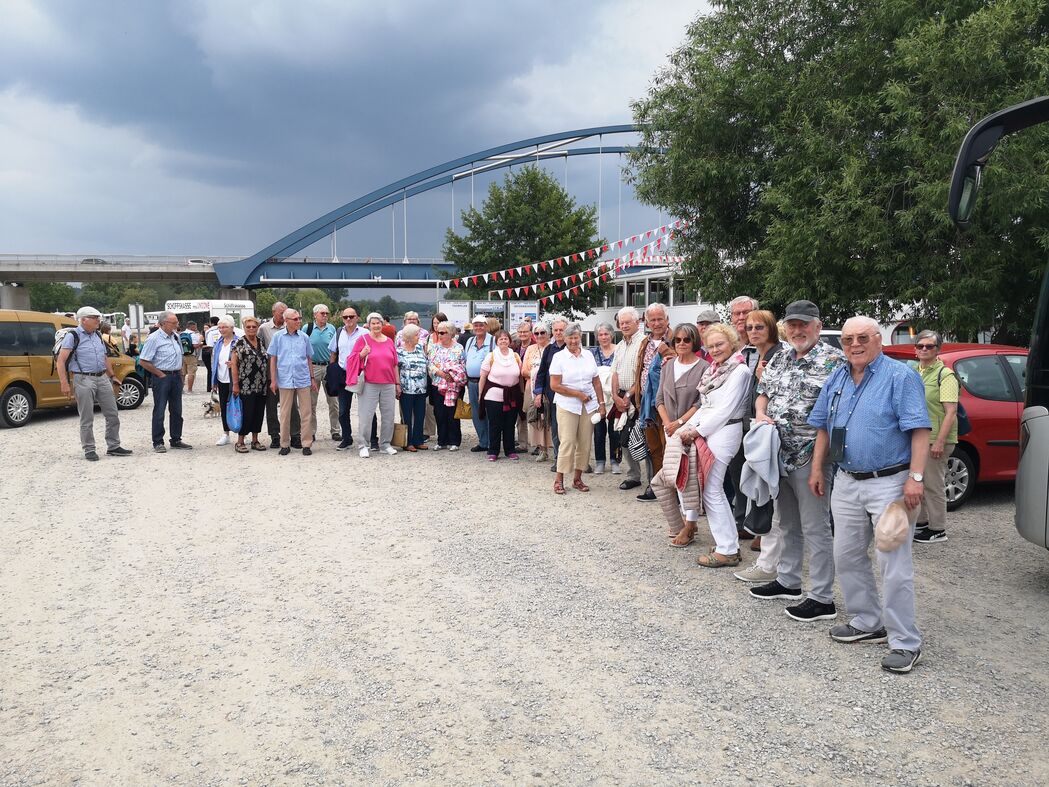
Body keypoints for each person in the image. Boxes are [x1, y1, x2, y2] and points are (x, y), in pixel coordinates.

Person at [808, 316, 930, 674]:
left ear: (879, 340)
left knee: (893, 563)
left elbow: (920, 430)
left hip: (890, 482)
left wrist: (916, 478)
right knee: (845, 554)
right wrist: (816, 469)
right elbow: (823, 427)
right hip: (846, 479)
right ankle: (867, 620)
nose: (854, 345)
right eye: (848, 339)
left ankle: (905, 641)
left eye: (862, 337)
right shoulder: (838, 376)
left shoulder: (900, 376)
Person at [746, 301, 846, 623]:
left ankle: (822, 598)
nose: (797, 330)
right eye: (792, 325)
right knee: (787, 523)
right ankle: (788, 582)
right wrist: (761, 413)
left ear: (818, 326)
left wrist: (819, 465)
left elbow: (836, 417)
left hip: (810, 456)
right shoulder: (780, 357)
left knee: (816, 527)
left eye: (804, 324)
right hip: (778, 455)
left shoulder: (835, 362)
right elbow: (763, 391)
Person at [675, 323, 752, 567]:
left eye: (720, 344)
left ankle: (727, 549)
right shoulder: (715, 370)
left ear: (732, 343)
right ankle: (728, 544)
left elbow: (725, 409)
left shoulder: (739, 371)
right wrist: (685, 427)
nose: (715, 349)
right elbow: (707, 405)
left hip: (725, 432)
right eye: (711, 346)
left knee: (712, 490)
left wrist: (696, 431)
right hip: (712, 431)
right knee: (712, 490)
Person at [651, 324, 710, 545]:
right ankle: (680, 523)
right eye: (677, 340)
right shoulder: (668, 366)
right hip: (670, 428)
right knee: (672, 476)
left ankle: (690, 524)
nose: (682, 343)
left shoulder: (704, 367)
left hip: (690, 428)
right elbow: (659, 399)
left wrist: (680, 423)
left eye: (686, 339)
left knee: (687, 476)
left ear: (694, 341)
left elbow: (700, 402)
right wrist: (668, 423)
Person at [56, 306, 131, 461]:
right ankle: (89, 449)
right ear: (83, 320)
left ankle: (113, 446)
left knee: (112, 414)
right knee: (87, 417)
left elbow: (104, 357)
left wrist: (112, 376)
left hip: (102, 377)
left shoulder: (97, 334)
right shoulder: (73, 336)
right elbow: (61, 361)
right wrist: (64, 383)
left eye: (98, 317)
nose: (98, 320)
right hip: (83, 378)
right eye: (94, 317)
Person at [912, 330, 958, 543]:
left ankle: (938, 529)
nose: (924, 349)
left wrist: (940, 441)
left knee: (933, 484)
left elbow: (951, 412)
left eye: (929, 346)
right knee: (917, 481)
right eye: (920, 345)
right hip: (917, 437)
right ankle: (921, 523)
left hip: (936, 439)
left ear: (938, 349)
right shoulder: (914, 371)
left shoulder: (945, 375)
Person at [549, 323, 605, 494]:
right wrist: (578, 394)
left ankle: (577, 478)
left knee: (585, 442)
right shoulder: (559, 357)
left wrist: (602, 404)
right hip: (568, 404)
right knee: (567, 441)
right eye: (570, 338)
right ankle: (559, 479)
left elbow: (596, 381)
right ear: (564, 338)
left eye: (576, 337)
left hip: (589, 405)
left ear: (580, 337)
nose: (573, 341)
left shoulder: (588, 355)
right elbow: (554, 385)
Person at [635, 303, 676, 500]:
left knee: (669, 447)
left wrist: (667, 351)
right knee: (654, 448)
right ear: (647, 322)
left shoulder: (676, 339)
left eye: (660, 319)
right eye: (652, 320)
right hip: (646, 403)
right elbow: (640, 370)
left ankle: (673, 488)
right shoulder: (645, 342)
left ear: (667, 320)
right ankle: (659, 487)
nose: (657, 323)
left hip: (667, 404)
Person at [138, 311, 193, 452]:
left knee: (177, 410)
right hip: (162, 377)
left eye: (177, 322)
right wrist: (160, 374)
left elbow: (180, 355)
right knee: (160, 410)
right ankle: (158, 442)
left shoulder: (176, 336)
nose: (177, 325)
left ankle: (176, 439)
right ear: (163, 323)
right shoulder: (153, 338)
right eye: (173, 323)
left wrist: (180, 373)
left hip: (176, 376)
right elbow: (143, 361)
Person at [267, 308, 316, 456]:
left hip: (303, 379)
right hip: (285, 379)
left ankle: (306, 444)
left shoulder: (304, 337)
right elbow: (273, 359)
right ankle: (284, 444)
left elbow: (309, 358)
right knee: (285, 413)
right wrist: (273, 380)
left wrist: (312, 378)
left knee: (306, 413)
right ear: (286, 321)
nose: (299, 321)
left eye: (299, 318)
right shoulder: (278, 337)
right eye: (295, 319)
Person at [354, 312, 399, 457]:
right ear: (368, 325)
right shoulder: (362, 340)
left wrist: (397, 383)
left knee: (388, 415)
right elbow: (352, 358)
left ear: (382, 324)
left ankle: (385, 444)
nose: (376, 326)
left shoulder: (389, 341)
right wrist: (362, 354)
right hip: (369, 383)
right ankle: (363, 445)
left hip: (388, 383)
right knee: (366, 415)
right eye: (373, 323)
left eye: (378, 323)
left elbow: (395, 364)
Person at [610, 307, 646, 490]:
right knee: (623, 437)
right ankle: (633, 475)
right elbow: (614, 372)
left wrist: (628, 395)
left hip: (638, 396)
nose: (623, 326)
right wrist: (615, 396)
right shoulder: (620, 345)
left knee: (643, 438)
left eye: (627, 322)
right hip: (622, 396)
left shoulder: (644, 343)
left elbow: (643, 375)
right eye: (621, 323)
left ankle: (653, 480)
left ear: (637, 322)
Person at [478, 329, 524, 460]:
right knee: (495, 424)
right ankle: (493, 451)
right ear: (496, 342)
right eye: (500, 339)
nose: (503, 341)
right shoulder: (491, 356)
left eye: (505, 338)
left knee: (510, 424)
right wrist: (480, 395)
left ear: (509, 341)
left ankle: (510, 450)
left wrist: (521, 393)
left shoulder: (515, 356)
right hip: (493, 396)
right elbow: (483, 377)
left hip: (512, 396)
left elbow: (520, 377)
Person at [260, 302, 300, 449]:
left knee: (292, 407)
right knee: (271, 407)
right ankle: (275, 436)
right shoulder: (264, 328)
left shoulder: (290, 327)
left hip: (288, 375)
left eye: (285, 313)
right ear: (273, 312)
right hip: (271, 374)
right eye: (281, 312)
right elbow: (260, 348)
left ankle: (295, 435)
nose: (283, 315)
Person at [329, 307, 367, 450]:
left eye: (351, 316)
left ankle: (372, 438)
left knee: (367, 408)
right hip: (343, 375)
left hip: (360, 374)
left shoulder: (365, 333)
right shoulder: (339, 333)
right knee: (343, 410)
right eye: (345, 317)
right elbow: (333, 353)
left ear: (357, 317)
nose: (348, 319)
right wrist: (332, 371)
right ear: (342, 318)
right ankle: (347, 438)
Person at [230, 316, 269, 452]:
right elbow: (234, 365)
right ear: (244, 328)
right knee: (246, 413)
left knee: (259, 412)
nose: (251, 329)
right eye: (248, 327)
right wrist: (235, 384)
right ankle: (240, 441)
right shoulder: (239, 343)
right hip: (245, 385)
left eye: (254, 326)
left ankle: (255, 440)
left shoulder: (261, 341)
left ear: (257, 328)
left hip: (261, 385)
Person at [533, 317, 567, 469]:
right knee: (555, 428)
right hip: (552, 396)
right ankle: (559, 459)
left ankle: (574, 459)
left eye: (561, 330)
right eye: (556, 330)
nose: (558, 333)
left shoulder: (572, 347)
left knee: (569, 430)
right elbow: (541, 373)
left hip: (570, 396)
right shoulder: (549, 349)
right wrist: (539, 393)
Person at [428, 320, 466, 451]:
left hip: (454, 386)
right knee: (439, 413)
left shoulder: (459, 348)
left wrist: (453, 374)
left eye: (442, 332)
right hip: (438, 384)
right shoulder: (434, 347)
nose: (439, 335)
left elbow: (463, 364)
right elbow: (430, 364)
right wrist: (440, 373)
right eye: (438, 332)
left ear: (450, 333)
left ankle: (454, 440)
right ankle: (442, 440)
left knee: (453, 413)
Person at [307, 304, 340, 442]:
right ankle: (311, 431)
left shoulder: (332, 329)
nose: (325, 315)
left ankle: (335, 430)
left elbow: (336, 349)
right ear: (315, 315)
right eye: (322, 313)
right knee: (311, 402)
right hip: (313, 367)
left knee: (334, 402)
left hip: (328, 367)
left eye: (327, 313)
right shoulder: (307, 328)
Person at [590, 321, 619, 474]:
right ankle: (600, 461)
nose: (603, 337)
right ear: (597, 337)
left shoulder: (619, 350)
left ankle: (615, 461)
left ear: (612, 335)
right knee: (599, 429)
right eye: (600, 334)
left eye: (606, 334)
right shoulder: (592, 353)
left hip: (615, 394)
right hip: (598, 395)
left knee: (615, 429)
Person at [464, 315, 496, 453]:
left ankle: (492, 442)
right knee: (476, 413)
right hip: (472, 382)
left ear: (486, 326)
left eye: (481, 325)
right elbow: (465, 359)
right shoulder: (470, 341)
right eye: (476, 325)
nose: (478, 328)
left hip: (488, 382)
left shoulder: (493, 340)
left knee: (490, 412)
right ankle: (483, 442)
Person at [396, 323, 430, 452]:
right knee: (407, 416)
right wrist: (397, 385)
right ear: (409, 337)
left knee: (420, 415)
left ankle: (418, 440)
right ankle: (407, 442)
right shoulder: (399, 351)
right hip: (406, 389)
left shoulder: (420, 348)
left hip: (421, 389)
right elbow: (396, 369)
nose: (419, 337)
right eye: (417, 335)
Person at [523, 323, 552, 461]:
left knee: (549, 418)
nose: (539, 335)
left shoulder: (552, 348)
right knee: (536, 418)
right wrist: (535, 373)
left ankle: (554, 447)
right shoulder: (530, 349)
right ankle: (541, 449)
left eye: (542, 332)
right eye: (537, 333)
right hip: (532, 388)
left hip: (550, 387)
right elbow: (523, 370)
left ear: (548, 334)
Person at [210, 316, 239, 447]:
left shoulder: (238, 342)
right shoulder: (219, 343)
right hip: (222, 379)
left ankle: (241, 433)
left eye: (224, 327)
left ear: (232, 328)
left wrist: (234, 364)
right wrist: (214, 380)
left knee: (237, 406)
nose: (221, 330)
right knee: (223, 406)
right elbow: (214, 362)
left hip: (234, 379)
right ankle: (226, 433)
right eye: (220, 327)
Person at [179, 321, 203, 393]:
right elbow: (194, 345)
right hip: (191, 355)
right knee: (191, 373)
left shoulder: (181, 334)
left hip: (182, 355)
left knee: (182, 373)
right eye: (195, 326)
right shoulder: (193, 334)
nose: (196, 328)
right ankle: (189, 389)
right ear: (192, 326)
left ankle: (181, 389)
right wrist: (200, 344)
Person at [203, 316, 220, 390]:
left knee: (211, 370)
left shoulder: (209, 332)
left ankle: (212, 386)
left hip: (212, 352)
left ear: (211, 323)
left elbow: (209, 344)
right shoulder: (222, 329)